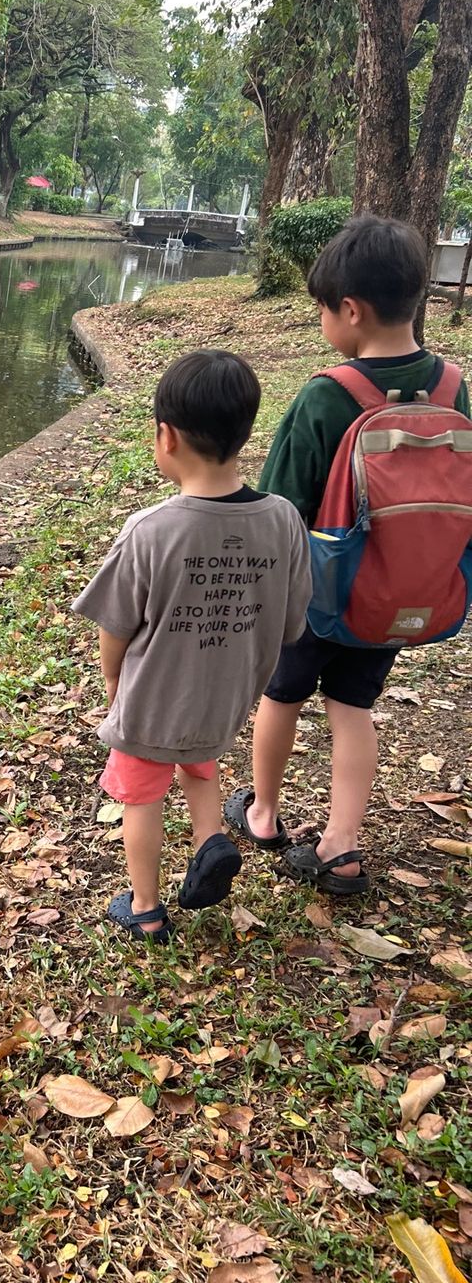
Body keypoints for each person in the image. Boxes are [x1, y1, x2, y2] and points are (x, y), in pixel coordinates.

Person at [226, 215, 470, 893]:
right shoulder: (454, 388)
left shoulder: (328, 395)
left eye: (323, 311)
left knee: (282, 695)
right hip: (401, 591)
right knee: (353, 707)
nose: (323, 323)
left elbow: (279, 505)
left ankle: (265, 813)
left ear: (351, 310)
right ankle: (342, 844)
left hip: (318, 595)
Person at [74, 350, 311, 942]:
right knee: (198, 762)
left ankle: (147, 906)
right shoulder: (282, 519)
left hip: (154, 696)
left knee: (140, 793)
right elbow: (290, 623)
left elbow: (115, 625)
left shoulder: (151, 529)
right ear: (245, 431)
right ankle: (211, 840)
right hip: (227, 694)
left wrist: (113, 681)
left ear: (166, 436)